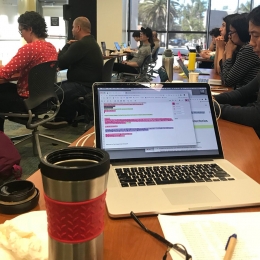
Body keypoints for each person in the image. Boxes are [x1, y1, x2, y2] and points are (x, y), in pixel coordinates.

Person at [0, 11, 57, 132]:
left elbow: (4, 73)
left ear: (29, 29)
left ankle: (2, 142)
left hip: (28, 101)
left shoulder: (29, 48)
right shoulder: (51, 47)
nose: (21, 35)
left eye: (22, 31)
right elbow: (35, 72)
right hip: (45, 99)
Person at [44, 16, 103, 128]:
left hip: (83, 86)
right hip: (89, 83)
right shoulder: (91, 42)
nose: (72, 30)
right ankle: (64, 117)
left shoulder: (81, 44)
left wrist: (67, 45)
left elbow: (61, 62)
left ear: (78, 28)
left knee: (51, 92)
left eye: (72, 27)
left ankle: (63, 117)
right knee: (61, 85)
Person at [214, 5, 260, 137]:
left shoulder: (247, 51)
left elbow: (257, 115)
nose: (251, 43)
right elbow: (242, 93)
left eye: (255, 35)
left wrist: (214, 107)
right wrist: (209, 100)